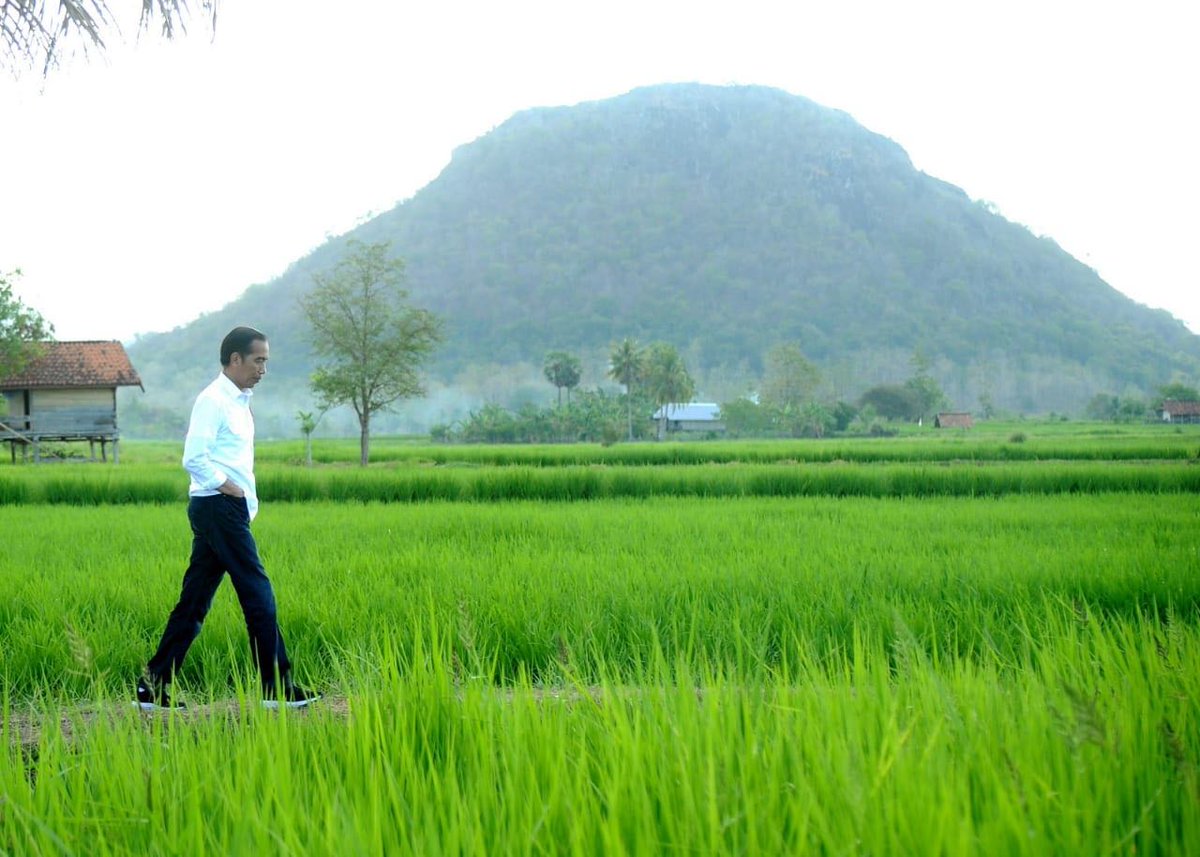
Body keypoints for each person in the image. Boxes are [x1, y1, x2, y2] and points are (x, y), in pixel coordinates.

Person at [136, 326, 319, 710]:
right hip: (218, 507)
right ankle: (276, 689)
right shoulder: (213, 400)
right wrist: (228, 487)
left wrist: (243, 499)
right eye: (258, 360)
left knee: (195, 600)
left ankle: (152, 685)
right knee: (258, 593)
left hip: (225, 510)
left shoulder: (239, 401)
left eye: (266, 361)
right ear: (235, 359)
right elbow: (193, 458)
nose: (263, 369)